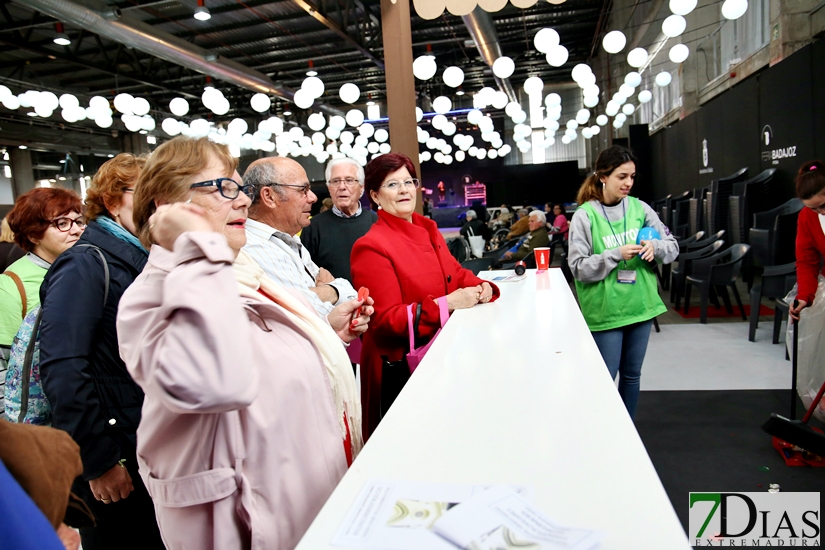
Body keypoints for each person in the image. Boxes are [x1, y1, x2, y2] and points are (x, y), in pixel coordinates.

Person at [117, 136, 372, 549]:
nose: (241, 202)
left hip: (305, 510)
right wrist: (196, 247)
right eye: (224, 188)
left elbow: (264, 363)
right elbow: (219, 381)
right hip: (248, 527)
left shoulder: (241, 274)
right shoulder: (153, 297)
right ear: (167, 206)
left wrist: (327, 334)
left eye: (240, 189)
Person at [38, 154, 164, 549]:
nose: (153, 207)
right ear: (111, 201)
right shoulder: (86, 263)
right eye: (143, 194)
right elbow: (62, 368)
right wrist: (99, 461)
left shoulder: (140, 259)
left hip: (143, 444)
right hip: (116, 454)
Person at [350, 153, 501, 440]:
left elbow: (455, 275)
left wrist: (483, 286)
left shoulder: (427, 229)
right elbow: (384, 320)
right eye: (392, 184)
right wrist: (450, 303)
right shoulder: (370, 246)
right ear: (375, 196)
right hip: (398, 369)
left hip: (439, 358)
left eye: (409, 181)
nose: (404, 189)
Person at [568, 146, 678, 419]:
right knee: (605, 379)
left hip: (640, 306)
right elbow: (579, 268)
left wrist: (655, 246)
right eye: (621, 176)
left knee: (632, 376)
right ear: (603, 177)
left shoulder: (641, 208)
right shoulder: (585, 216)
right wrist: (615, 255)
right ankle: (602, 431)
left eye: (632, 176)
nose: (628, 183)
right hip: (606, 311)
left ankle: (627, 432)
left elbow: (672, 247)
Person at [0, 188, 83, 416]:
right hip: (38, 416)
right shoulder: (12, 283)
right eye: (62, 223)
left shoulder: (87, 270)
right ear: (34, 234)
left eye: (78, 221)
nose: (76, 230)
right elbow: (5, 364)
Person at [242, 157, 358, 318]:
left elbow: (350, 300)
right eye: (302, 190)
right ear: (269, 196)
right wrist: (335, 290)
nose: (313, 197)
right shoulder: (253, 247)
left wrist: (319, 294)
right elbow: (307, 316)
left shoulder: (289, 240)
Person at [300, 157, 378, 281]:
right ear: (329, 188)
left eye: (349, 180)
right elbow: (304, 275)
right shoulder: (313, 227)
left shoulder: (377, 224)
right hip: (332, 300)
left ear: (361, 187)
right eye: (335, 181)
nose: (342, 186)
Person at [790, 160, 825, 321]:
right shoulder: (807, 216)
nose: (821, 212)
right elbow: (806, 261)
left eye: (824, 205)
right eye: (814, 208)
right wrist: (804, 296)